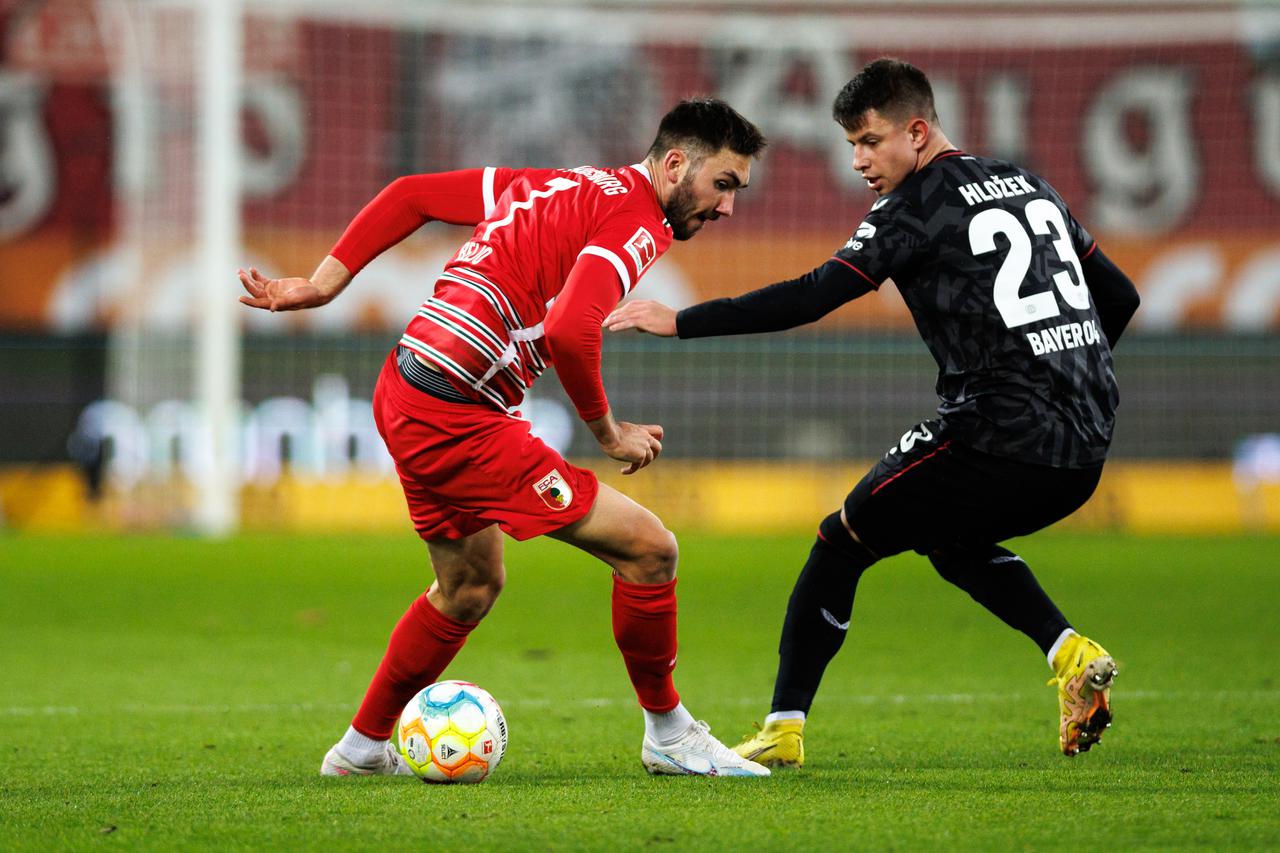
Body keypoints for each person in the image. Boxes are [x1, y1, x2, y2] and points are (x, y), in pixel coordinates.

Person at [604, 59, 1141, 764]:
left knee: (840, 539)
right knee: (948, 539)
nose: (858, 159)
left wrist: (682, 322)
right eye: (850, 143)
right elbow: (1122, 298)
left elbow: (814, 294)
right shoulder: (1029, 184)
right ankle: (1071, 653)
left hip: (997, 435)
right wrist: (1064, 370)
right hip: (1086, 446)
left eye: (869, 140)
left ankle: (783, 730)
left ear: (917, 132)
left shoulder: (914, 208)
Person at [239, 98, 771, 778]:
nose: (727, 207)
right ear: (674, 165)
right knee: (650, 549)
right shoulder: (639, 219)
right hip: (456, 415)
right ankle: (670, 733)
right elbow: (570, 331)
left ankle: (362, 748)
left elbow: (411, 195)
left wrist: (323, 283)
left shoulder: (557, 183)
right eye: (723, 184)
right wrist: (610, 432)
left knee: (467, 586)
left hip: (406, 388)